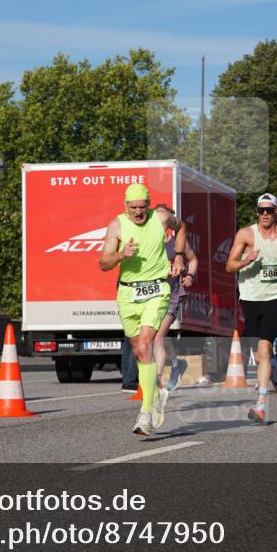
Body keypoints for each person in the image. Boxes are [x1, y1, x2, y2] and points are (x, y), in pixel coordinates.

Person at [99, 183, 185, 436]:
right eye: (133, 207)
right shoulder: (117, 225)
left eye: (142, 207)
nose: (138, 212)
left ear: (149, 204)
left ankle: (146, 413)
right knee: (138, 350)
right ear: (125, 206)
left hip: (157, 289)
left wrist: (178, 256)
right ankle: (157, 396)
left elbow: (182, 228)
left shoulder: (160, 217)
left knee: (146, 345)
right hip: (127, 292)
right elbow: (103, 263)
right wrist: (120, 255)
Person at [226, 193, 277, 424]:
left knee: (264, 348)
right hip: (250, 297)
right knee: (258, 355)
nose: (265, 214)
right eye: (261, 210)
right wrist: (246, 261)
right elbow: (229, 265)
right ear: (257, 212)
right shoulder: (246, 235)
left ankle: (260, 405)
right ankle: (274, 373)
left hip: (275, 296)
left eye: (269, 210)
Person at [152, 204, 198, 392]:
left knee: (158, 337)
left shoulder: (177, 242)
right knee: (154, 337)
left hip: (173, 293)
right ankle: (176, 364)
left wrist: (190, 276)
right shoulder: (149, 240)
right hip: (153, 293)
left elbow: (193, 259)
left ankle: (157, 381)